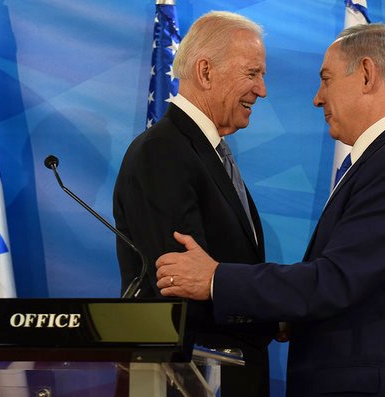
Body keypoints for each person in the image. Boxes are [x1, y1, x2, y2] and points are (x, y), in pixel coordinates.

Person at [155, 23, 385, 397]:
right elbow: (361, 278)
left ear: (367, 74)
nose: (317, 98)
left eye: (326, 79)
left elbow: (335, 280)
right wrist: (288, 311)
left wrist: (214, 279)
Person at [113, 11, 274, 397]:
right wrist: (272, 310)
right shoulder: (163, 153)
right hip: (190, 381)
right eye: (252, 73)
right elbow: (181, 288)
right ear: (205, 72)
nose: (262, 89)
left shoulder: (205, 151)